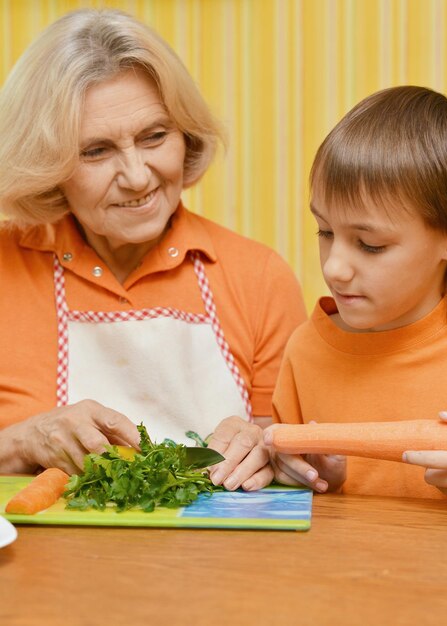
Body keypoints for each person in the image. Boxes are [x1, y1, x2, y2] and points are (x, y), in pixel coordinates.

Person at [0, 8, 306, 489]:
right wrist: (22, 440)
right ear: (47, 162)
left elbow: (298, 451)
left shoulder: (259, 276)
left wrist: (267, 448)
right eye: (96, 151)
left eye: (155, 136)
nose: (138, 176)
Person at [266, 85, 447, 503]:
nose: (334, 267)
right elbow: (283, 491)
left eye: (370, 245)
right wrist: (314, 481)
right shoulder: (305, 350)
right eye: (326, 232)